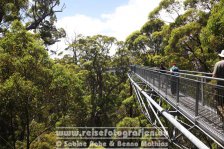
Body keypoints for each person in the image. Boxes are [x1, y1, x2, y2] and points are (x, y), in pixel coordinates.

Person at [212, 50, 224, 119]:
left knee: (218, 101)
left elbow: (214, 76)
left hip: (220, 87)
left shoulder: (218, 64)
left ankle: (222, 117)